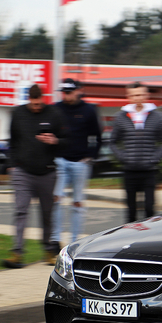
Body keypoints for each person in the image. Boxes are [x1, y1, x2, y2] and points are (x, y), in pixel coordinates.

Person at [2, 84, 67, 269]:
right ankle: (17, 252)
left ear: (43, 98)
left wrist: (55, 141)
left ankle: (48, 251)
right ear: (29, 99)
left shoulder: (54, 114)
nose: (37, 106)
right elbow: (12, 141)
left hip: (47, 172)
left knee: (47, 214)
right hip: (22, 171)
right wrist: (12, 166)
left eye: (40, 103)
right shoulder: (18, 114)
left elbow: (66, 141)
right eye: (34, 103)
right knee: (21, 211)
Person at [110, 81, 162, 223]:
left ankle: (148, 239)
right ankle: (128, 240)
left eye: (140, 95)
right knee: (130, 210)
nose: (137, 98)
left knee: (149, 209)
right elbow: (112, 141)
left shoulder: (158, 117)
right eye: (134, 95)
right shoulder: (120, 117)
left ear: (146, 95)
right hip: (129, 170)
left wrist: (156, 157)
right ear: (128, 97)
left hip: (149, 171)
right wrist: (122, 157)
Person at [51, 78, 102, 251]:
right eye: (64, 92)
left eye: (69, 92)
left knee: (77, 203)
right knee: (56, 199)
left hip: (80, 162)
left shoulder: (88, 110)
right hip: (60, 160)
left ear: (78, 91)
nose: (66, 96)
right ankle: (55, 239)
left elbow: (97, 136)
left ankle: (74, 242)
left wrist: (91, 156)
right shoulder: (56, 109)